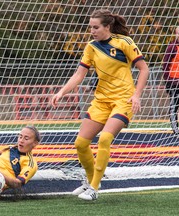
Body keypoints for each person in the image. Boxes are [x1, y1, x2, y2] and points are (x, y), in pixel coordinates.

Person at [51, 9, 149, 201]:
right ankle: (89, 181)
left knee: (104, 139)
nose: (92, 31)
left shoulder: (124, 42)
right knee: (80, 143)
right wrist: (61, 92)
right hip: (101, 101)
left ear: (107, 27)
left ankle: (94, 188)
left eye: (96, 27)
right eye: (90, 27)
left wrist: (137, 95)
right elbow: (79, 75)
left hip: (124, 100)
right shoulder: (91, 47)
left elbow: (144, 69)